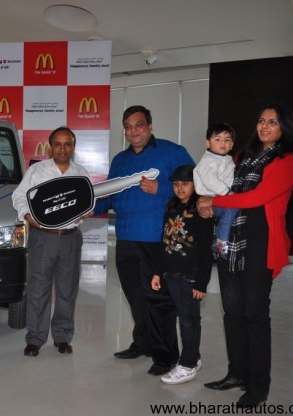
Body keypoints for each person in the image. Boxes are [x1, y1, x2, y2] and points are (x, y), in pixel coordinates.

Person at [198, 102, 293, 407]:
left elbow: (258, 197)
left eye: (272, 122)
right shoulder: (242, 156)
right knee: (232, 313)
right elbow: (218, 181)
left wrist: (214, 201)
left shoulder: (289, 160)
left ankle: (258, 387)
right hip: (229, 245)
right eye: (261, 120)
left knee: (255, 316)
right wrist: (205, 202)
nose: (264, 126)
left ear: (284, 127)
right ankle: (237, 374)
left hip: (260, 246)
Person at [94, 105, 194, 376]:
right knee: (136, 298)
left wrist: (162, 188)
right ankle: (143, 343)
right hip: (125, 239)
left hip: (156, 240)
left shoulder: (172, 152)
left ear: (150, 126)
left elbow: (193, 186)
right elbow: (110, 198)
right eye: (128, 127)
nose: (133, 131)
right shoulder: (120, 160)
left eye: (138, 125)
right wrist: (88, 207)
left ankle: (165, 355)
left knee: (158, 299)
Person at [12, 126, 90, 357]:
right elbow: (18, 196)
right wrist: (28, 216)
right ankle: (35, 339)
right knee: (38, 290)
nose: (62, 149)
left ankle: (62, 337)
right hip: (42, 238)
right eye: (57, 144)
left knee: (67, 291)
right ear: (50, 147)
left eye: (67, 144)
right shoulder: (37, 170)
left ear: (73, 147)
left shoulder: (81, 173)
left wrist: (86, 210)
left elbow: (88, 201)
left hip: (70, 238)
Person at [151, 164, 214, 384]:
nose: (180, 188)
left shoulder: (201, 211)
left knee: (189, 320)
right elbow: (165, 242)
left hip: (190, 276)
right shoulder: (171, 208)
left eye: (185, 183)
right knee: (185, 318)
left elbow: (206, 250)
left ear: (195, 185)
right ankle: (193, 357)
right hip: (171, 274)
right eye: (176, 184)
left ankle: (187, 365)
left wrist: (201, 283)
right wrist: (158, 272)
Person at [193, 123, 236, 257]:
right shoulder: (209, 160)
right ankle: (221, 245)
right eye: (217, 139)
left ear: (232, 145)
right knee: (230, 211)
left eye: (227, 140)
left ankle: (219, 242)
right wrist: (227, 192)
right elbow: (209, 179)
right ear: (208, 143)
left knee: (229, 213)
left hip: (218, 198)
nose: (223, 143)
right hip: (210, 199)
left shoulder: (226, 159)